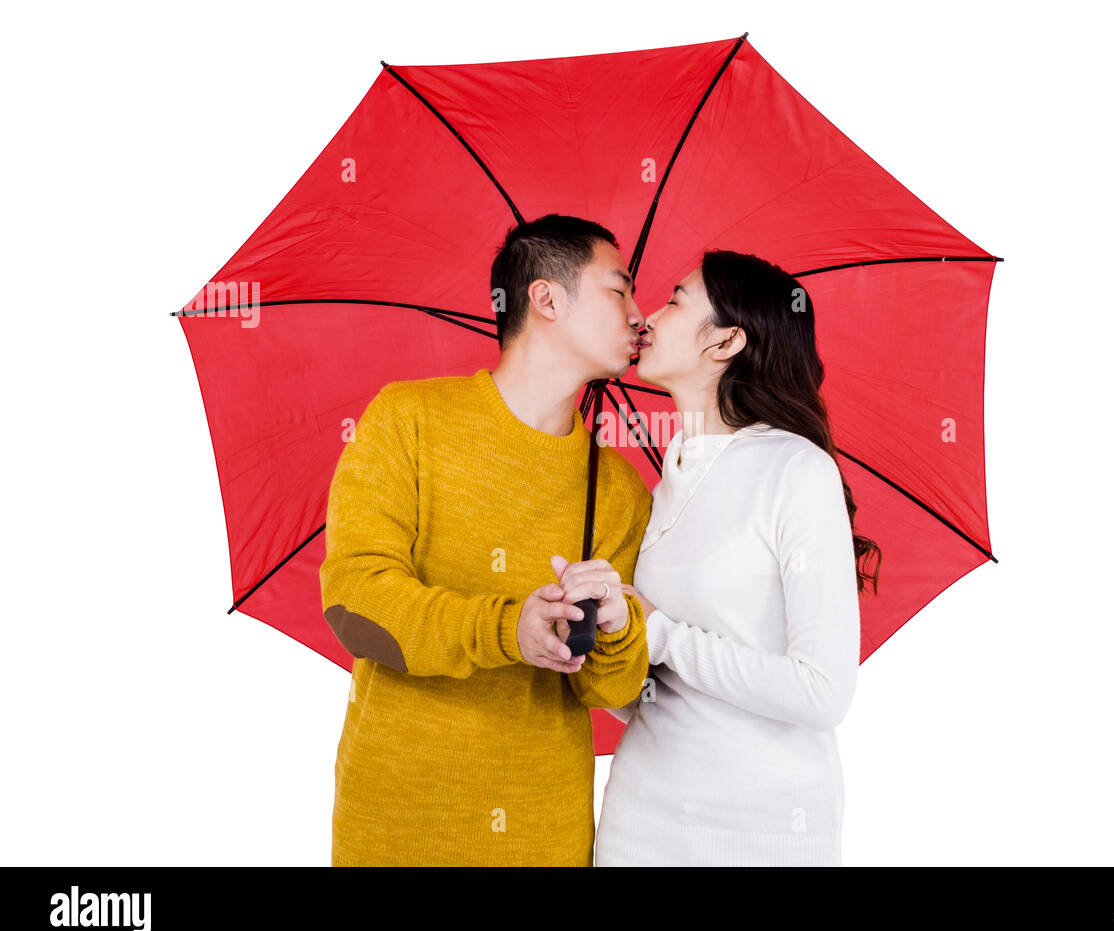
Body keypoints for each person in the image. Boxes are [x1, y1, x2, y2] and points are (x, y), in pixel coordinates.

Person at [320, 213, 653, 865]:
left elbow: (615, 691)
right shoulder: (407, 420)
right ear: (547, 298)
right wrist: (509, 630)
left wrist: (611, 629)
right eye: (620, 290)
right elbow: (355, 605)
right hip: (397, 829)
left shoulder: (617, 489)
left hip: (543, 836)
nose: (641, 314)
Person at [594, 249, 880, 866]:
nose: (648, 316)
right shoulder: (665, 481)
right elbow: (658, 695)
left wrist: (658, 631)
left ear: (725, 341)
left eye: (674, 300)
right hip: (638, 826)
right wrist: (604, 637)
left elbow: (822, 692)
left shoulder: (794, 469)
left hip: (761, 833)